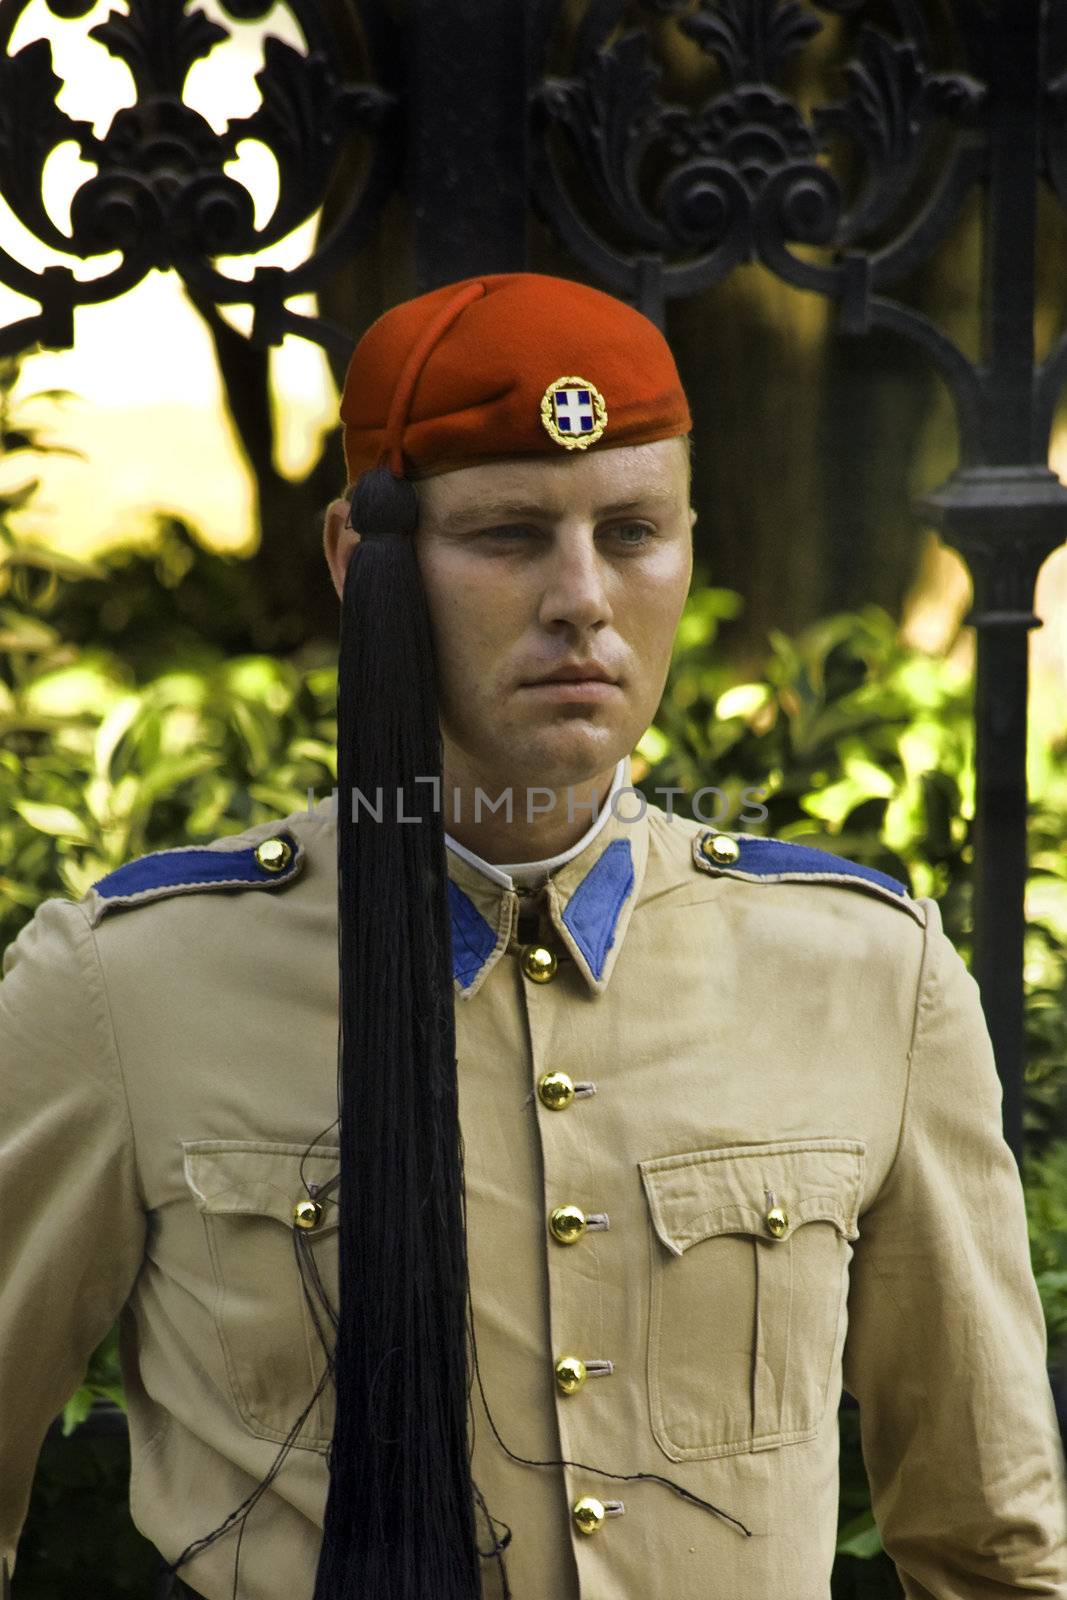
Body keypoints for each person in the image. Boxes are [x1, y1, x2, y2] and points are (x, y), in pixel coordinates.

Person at [1, 272, 1065, 1600]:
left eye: (631, 532)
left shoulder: (869, 979)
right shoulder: (129, 987)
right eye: (508, 536)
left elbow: (988, 1551)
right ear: (357, 560)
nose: (583, 598)